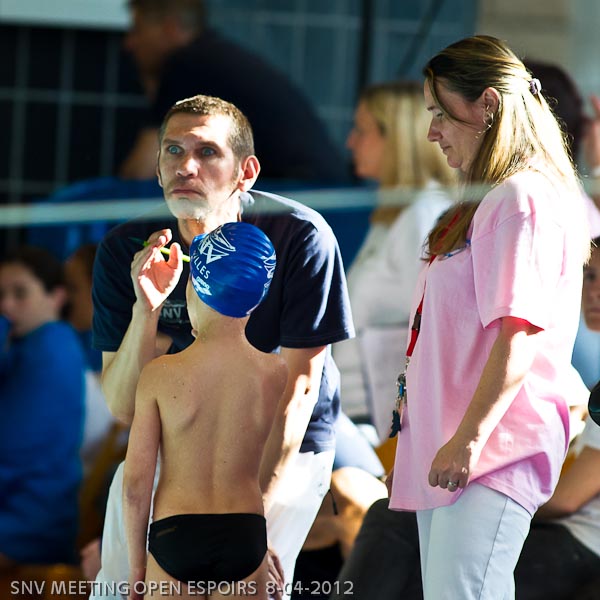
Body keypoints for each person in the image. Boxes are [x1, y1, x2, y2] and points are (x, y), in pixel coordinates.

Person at [90, 94, 354, 600]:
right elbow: (124, 406)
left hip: (283, 443)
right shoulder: (129, 247)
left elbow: (299, 391)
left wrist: (253, 522)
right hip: (182, 439)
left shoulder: (298, 236)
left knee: (256, 582)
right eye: (172, 150)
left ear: (245, 172)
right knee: (120, 586)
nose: (185, 166)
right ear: (157, 165)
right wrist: (146, 311)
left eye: (207, 152)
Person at [387, 35, 589, 599]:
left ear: (488, 105)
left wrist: (469, 440)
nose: (432, 132)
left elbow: (518, 335)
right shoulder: (495, 198)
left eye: (439, 112)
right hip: (456, 450)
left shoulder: (521, 197)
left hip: (491, 451)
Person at [333, 236, 600, 600]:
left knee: (419, 554)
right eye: (590, 276)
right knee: (393, 519)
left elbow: (568, 500)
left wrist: (489, 498)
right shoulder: (579, 384)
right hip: (559, 531)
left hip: (578, 544)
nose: (594, 292)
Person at [123, 222, 287, 598]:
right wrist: (260, 543)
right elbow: (274, 459)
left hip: (176, 534)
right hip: (245, 534)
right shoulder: (275, 373)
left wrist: (136, 567)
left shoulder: (160, 374)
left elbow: (135, 485)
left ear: (195, 286)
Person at [333, 80, 455, 436]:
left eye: (362, 130)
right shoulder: (396, 215)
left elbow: (430, 329)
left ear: (398, 138)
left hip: (384, 423)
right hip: (361, 413)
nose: (350, 142)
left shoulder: (424, 215)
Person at [119, 0, 347, 183]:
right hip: (323, 185)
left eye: (137, 30)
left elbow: (140, 173)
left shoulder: (186, 65)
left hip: (301, 190)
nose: (129, 43)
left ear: (169, 29)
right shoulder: (212, 56)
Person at [0, 246, 85, 567]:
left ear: (57, 297)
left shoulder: (49, 351)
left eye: (20, 293)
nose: (6, 305)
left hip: (28, 521)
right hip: (36, 512)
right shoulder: (37, 345)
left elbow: (15, 452)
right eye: (1, 295)